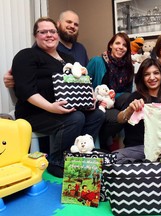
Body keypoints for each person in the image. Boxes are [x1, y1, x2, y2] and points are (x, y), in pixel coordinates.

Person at [11, 17, 105, 178]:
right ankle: (57, 160)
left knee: (97, 114)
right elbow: (24, 89)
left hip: (67, 109)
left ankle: (80, 154)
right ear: (35, 35)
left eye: (52, 31)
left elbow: (82, 83)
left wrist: (90, 98)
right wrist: (50, 106)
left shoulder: (68, 59)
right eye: (43, 32)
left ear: (57, 34)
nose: (49, 35)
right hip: (35, 113)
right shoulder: (27, 55)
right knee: (76, 117)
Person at [115, 58, 161, 162]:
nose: (152, 77)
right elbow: (120, 119)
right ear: (142, 78)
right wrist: (130, 109)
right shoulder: (136, 98)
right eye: (147, 74)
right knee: (116, 157)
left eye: (156, 73)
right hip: (138, 149)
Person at [3, 10, 88, 89]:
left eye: (76, 24)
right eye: (68, 22)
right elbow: (28, 69)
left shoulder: (80, 48)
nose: (72, 26)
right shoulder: (45, 45)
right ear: (58, 24)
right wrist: (12, 78)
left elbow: (84, 75)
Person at [87, 32, 134, 151]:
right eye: (117, 43)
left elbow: (127, 91)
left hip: (116, 101)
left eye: (124, 45)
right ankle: (103, 141)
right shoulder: (97, 61)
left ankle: (131, 146)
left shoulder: (129, 67)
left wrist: (113, 96)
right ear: (110, 45)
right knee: (119, 120)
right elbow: (84, 82)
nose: (121, 47)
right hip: (99, 103)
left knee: (130, 100)